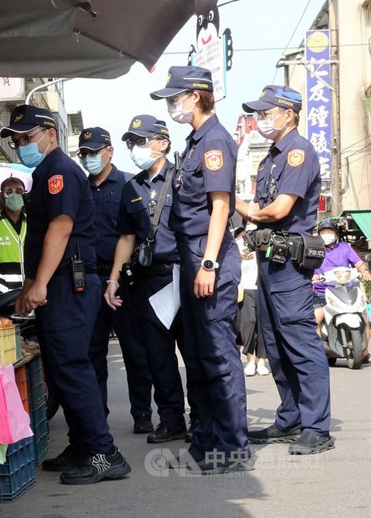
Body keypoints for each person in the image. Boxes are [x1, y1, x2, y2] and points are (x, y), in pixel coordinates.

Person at [4, 104, 130, 485]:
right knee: (61, 368)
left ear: (51, 134)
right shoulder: (45, 173)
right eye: (18, 140)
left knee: (72, 366)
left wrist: (39, 284)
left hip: (67, 283)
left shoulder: (60, 172)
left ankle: (105, 455)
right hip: (59, 283)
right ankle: (82, 445)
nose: (23, 145)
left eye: (29, 137)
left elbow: (60, 229)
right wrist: (32, 285)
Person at [150, 66, 252, 474]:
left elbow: (221, 206)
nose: (172, 103)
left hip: (208, 257)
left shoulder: (214, 141)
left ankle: (233, 446)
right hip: (189, 258)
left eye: (176, 96)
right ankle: (207, 439)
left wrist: (208, 263)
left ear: (196, 96)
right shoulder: (193, 143)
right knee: (197, 356)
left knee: (219, 356)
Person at [236, 85, 334, 455]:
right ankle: (290, 418)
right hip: (268, 261)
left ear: (288, 114)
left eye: (267, 113)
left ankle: (317, 427)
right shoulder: (270, 159)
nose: (261, 119)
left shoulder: (297, 153)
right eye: (259, 114)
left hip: (290, 265)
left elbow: (276, 210)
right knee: (275, 345)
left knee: (300, 344)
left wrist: (243, 208)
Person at [104, 115, 199, 444]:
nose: (136, 148)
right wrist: (113, 279)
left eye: (142, 141)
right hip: (147, 281)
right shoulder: (132, 187)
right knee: (158, 356)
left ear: (163, 143)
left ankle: (200, 416)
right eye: (132, 142)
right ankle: (171, 418)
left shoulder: (182, 179)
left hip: (182, 276)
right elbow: (126, 237)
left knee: (192, 351)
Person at [77, 126, 154, 435]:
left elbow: (138, 231)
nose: (88, 158)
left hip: (122, 278)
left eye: (93, 152)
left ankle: (142, 413)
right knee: (92, 353)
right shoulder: (79, 188)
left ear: (109, 151)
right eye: (84, 154)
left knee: (134, 349)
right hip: (88, 278)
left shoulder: (127, 185)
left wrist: (126, 274)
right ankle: (98, 418)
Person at [312, 218, 371, 357]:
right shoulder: (315, 250)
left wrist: (365, 271)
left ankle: (364, 353)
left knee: (365, 318)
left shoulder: (345, 248)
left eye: (330, 231)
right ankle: (318, 354)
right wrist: (311, 277)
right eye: (324, 231)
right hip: (322, 293)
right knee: (314, 320)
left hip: (346, 291)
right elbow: (308, 267)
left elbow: (359, 263)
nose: (327, 234)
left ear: (336, 234)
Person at [235, 226, 269, 377]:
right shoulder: (238, 242)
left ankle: (261, 361)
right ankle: (250, 359)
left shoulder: (269, 238)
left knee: (263, 324)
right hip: (246, 286)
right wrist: (240, 257)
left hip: (264, 286)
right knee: (248, 322)